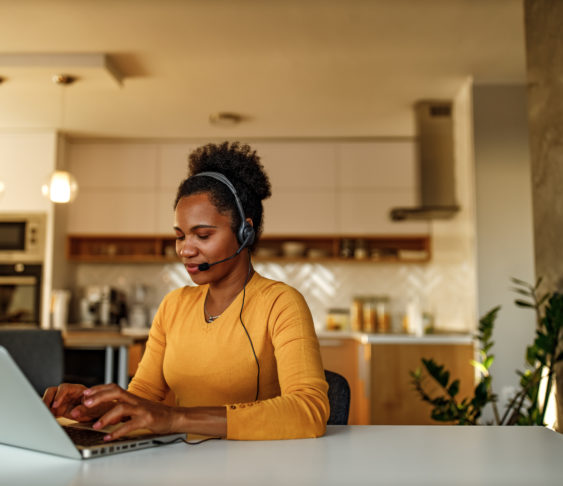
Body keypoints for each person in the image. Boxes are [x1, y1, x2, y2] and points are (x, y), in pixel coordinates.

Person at [43, 141, 330, 440]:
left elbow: (308, 411)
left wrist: (176, 418)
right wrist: (95, 407)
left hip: (260, 467)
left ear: (245, 233)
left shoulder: (281, 303)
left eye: (202, 235)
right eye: (180, 236)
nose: (185, 250)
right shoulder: (174, 305)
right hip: (183, 463)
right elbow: (144, 397)